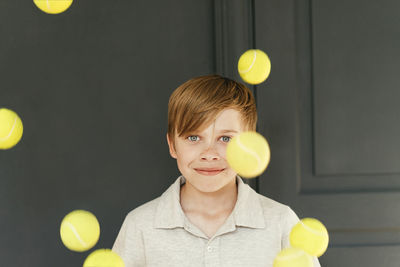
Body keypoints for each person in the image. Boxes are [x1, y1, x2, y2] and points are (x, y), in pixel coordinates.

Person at [112, 74, 321, 266]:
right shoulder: (139, 225)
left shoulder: (282, 222)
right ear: (172, 145)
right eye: (193, 138)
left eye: (226, 138)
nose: (209, 154)